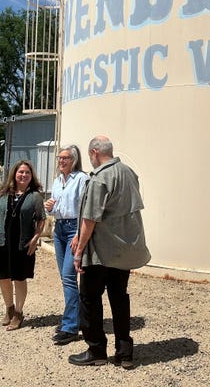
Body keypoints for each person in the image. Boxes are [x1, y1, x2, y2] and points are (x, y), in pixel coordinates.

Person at [68, 135, 151, 369]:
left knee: (90, 300)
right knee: (119, 299)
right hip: (122, 252)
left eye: (90, 155)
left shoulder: (100, 178)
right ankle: (124, 353)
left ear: (94, 152)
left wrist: (79, 250)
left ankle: (96, 350)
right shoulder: (128, 172)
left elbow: (90, 218)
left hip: (100, 254)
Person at [0, 159, 46, 331]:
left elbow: (41, 219)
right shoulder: (2, 194)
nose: (23, 175)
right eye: (20, 172)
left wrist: (36, 237)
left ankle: (18, 312)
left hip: (23, 245)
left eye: (27, 173)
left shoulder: (35, 196)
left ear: (32, 176)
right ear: (14, 174)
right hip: (2, 243)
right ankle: (8, 308)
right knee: (4, 277)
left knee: (20, 278)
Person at [44, 144, 88, 345]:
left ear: (74, 160)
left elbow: (85, 208)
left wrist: (79, 233)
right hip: (59, 228)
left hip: (73, 229)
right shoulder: (57, 181)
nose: (61, 161)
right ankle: (78, 319)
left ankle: (70, 327)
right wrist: (50, 207)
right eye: (59, 158)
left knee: (69, 277)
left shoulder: (81, 179)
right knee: (65, 277)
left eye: (65, 158)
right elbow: (54, 209)